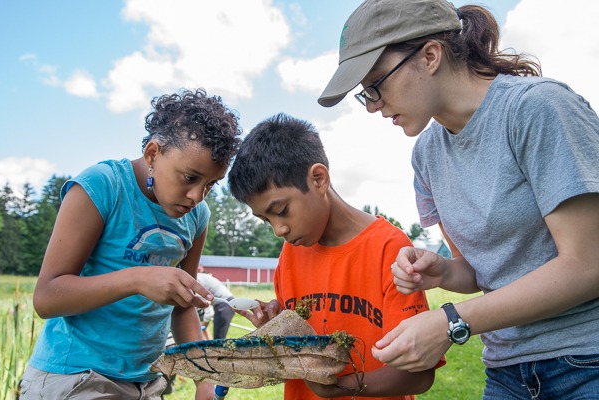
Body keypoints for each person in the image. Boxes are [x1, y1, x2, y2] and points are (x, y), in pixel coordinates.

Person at [318, 0, 599, 398]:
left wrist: (450, 321)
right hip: (507, 371)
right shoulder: (426, 155)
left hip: (587, 363)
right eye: (365, 94)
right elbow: (482, 272)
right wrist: (446, 273)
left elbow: (588, 265)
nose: (373, 105)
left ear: (430, 56)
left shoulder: (537, 109)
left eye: (376, 83)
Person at [19, 88, 242, 400]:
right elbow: (46, 297)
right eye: (189, 178)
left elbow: (183, 306)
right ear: (153, 153)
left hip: (146, 382)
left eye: (210, 184)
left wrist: (203, 376)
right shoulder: (103, 185)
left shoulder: (197, 216)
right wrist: (138, 279)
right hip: (76, 376)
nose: (197, 196)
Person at [228, 113, 443, 400]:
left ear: (319, 179)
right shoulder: (290, 256)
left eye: (281, 211)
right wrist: (277, 331)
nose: (279, 230)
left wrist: (339, 386)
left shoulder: (389, 248)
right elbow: (300, 353)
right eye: (265, 220)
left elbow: (418, 374)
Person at [197, 266, 235, 340]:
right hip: (225, 304)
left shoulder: (197, 278)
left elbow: (198, 301)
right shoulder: (204, 277)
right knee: (208, 332)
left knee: (218, 339)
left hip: (224, 304)